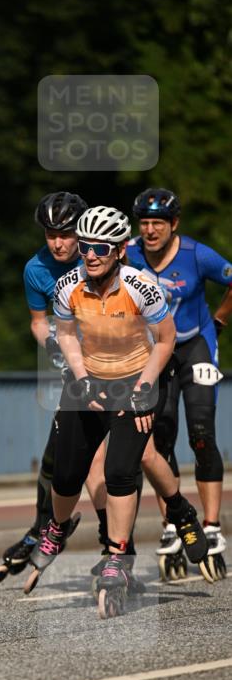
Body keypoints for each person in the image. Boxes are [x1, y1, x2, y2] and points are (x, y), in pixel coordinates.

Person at [24, 205, 215, 618]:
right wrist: (80, 375)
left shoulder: (141, 287)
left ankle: (121, 552)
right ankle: (56, 529)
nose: (90, 255)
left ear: (118, 252)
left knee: (122, 469)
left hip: (138, 379)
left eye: (101, 249)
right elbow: (68, 334)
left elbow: (165, 341)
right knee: (68, 472)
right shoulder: (68, 286)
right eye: (86, 247)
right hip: (89, 380)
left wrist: (145, 387)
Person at [0, 190, 107, 582]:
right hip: (73, 372)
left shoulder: (102, 257)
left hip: (116, 368)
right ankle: (43, 529)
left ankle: (119, 544)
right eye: (50, 233)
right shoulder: (35, 269)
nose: (58, 242)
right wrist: (53, 343)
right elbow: (38, 321)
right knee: (56, 461)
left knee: (106, 465)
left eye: (66, 233)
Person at [126, 188, 231, 579]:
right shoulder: (129, 252)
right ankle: (173, 525)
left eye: (159, 223)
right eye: (145, 223)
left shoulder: (196, 255)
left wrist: (219, 322)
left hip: (195, 345)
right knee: (161, 436)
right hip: (157, 352)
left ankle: (213, 527)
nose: (150, 231)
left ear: (174, 225)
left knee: (201, 433)